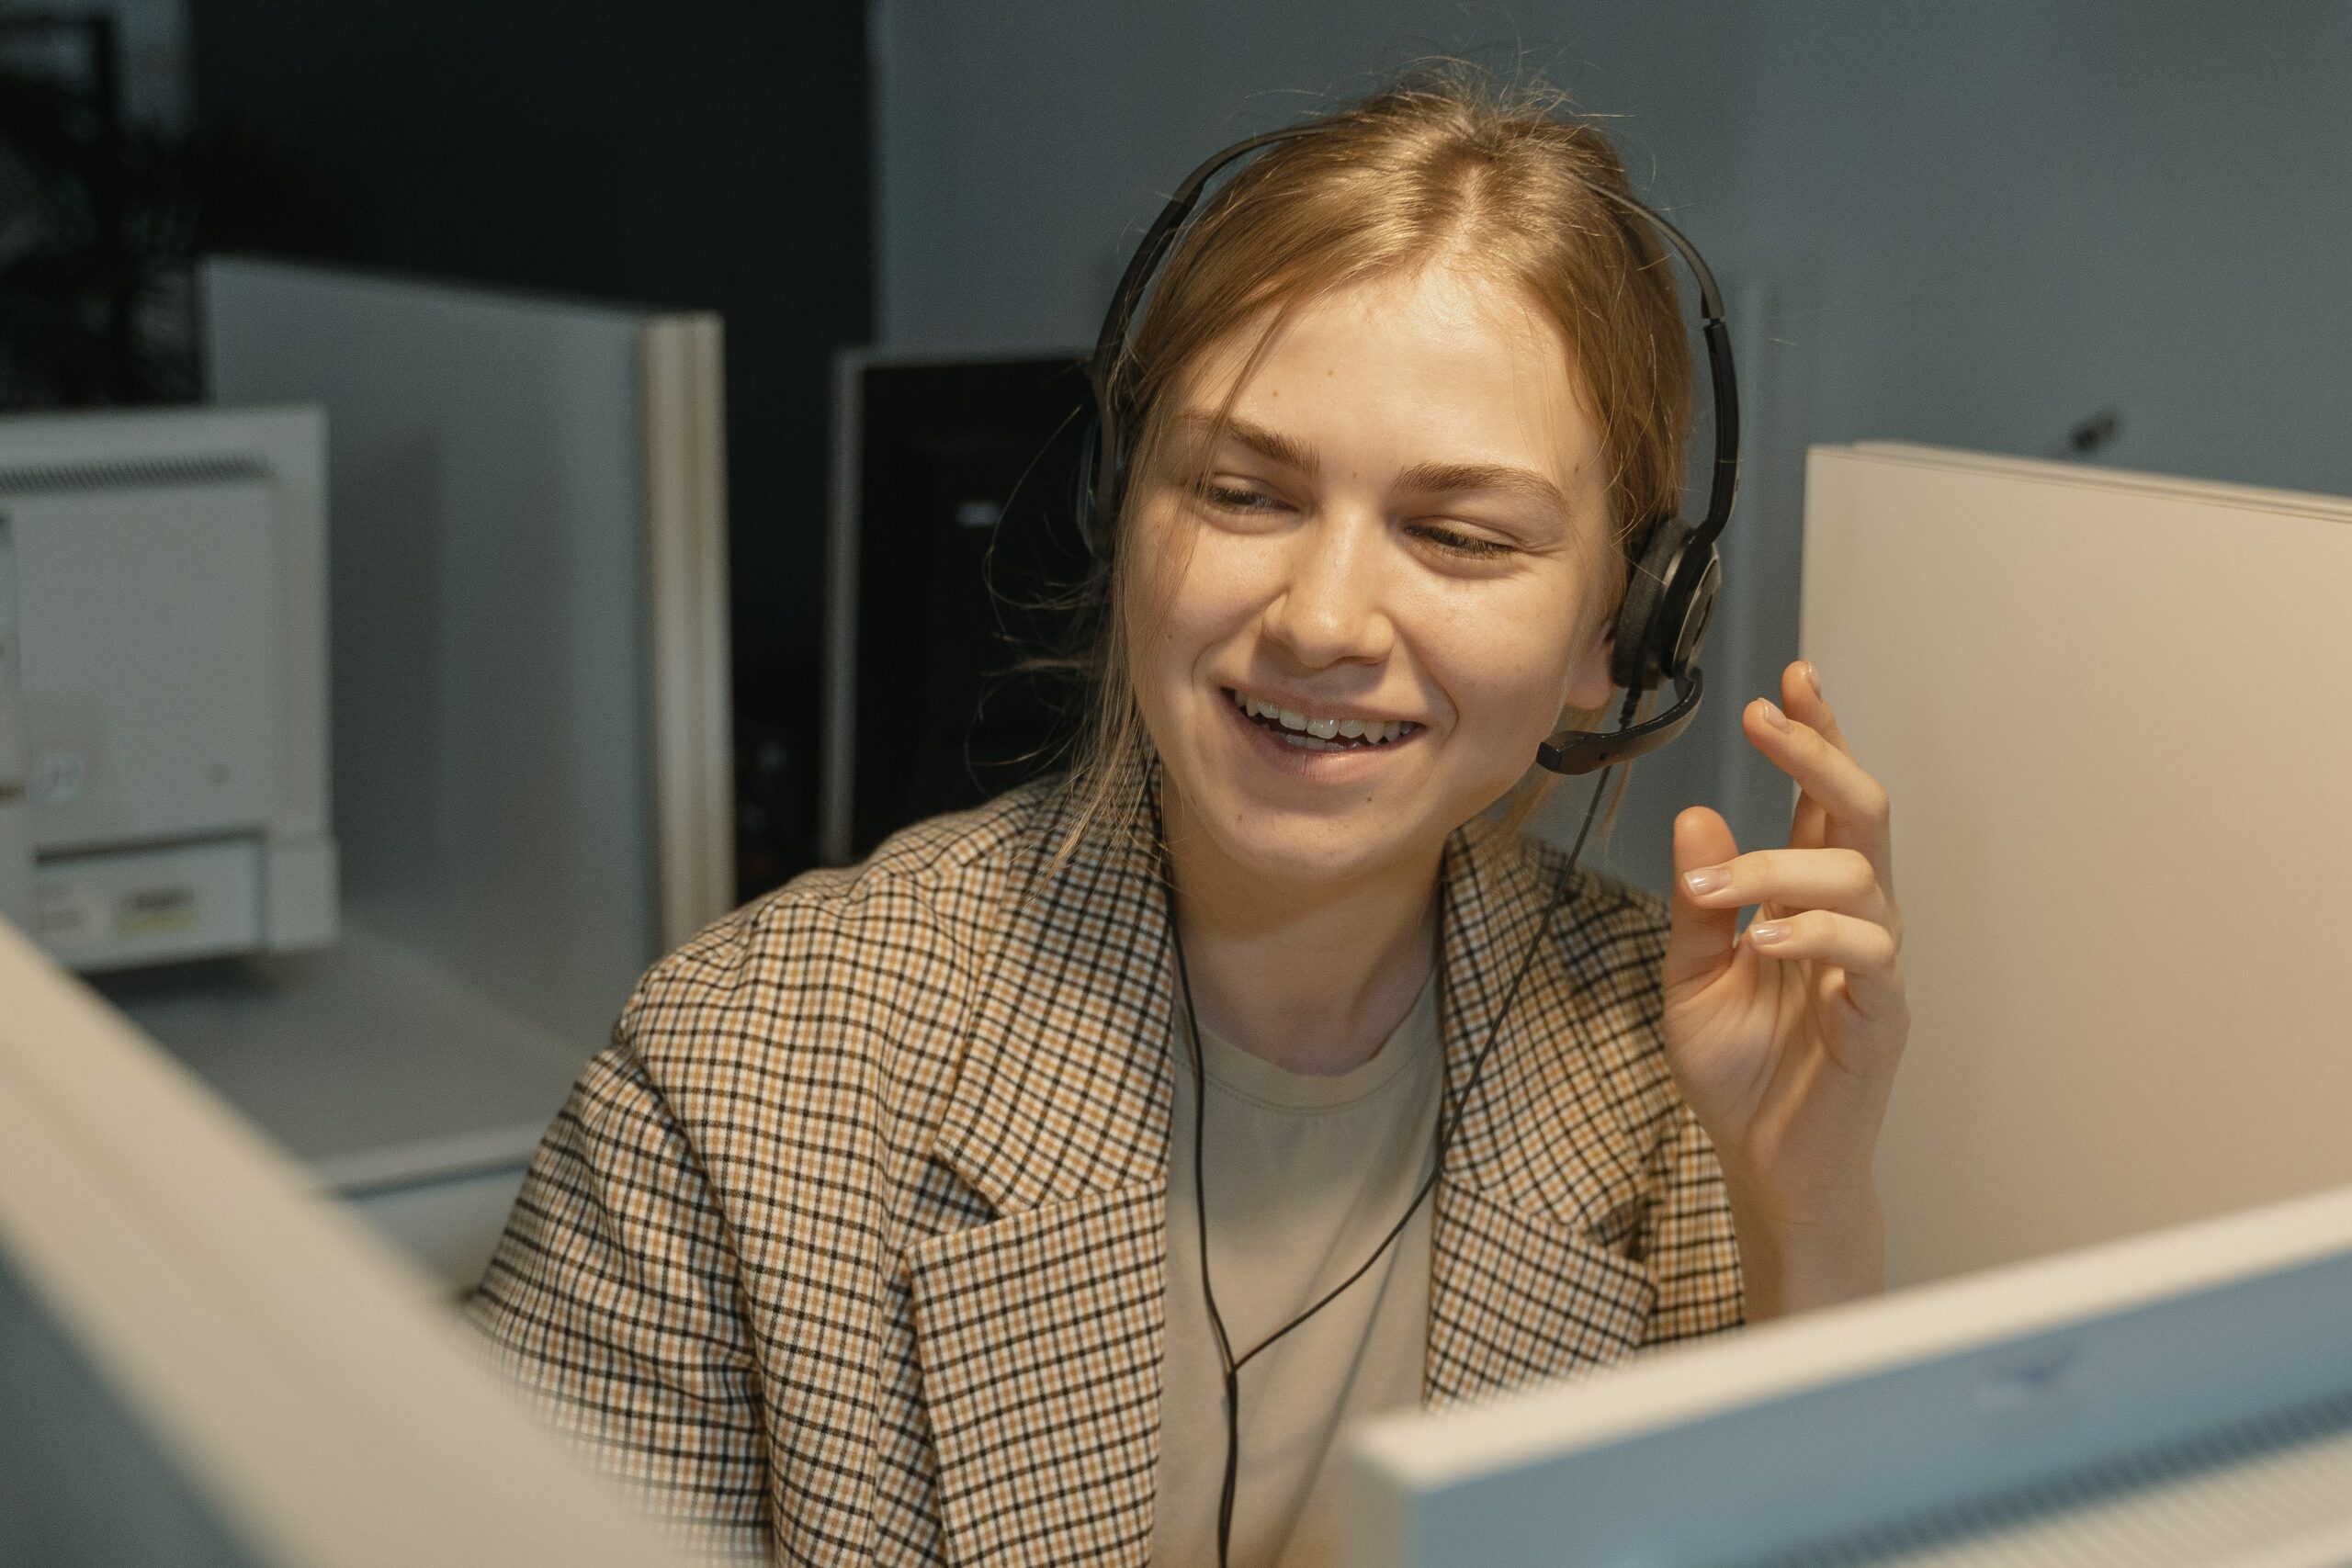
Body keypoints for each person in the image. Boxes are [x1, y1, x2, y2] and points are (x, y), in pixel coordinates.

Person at [466, 68, 1909, 1568]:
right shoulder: (743, 1074)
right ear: (1121, 516)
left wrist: (1803, 1197)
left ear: (1628, 628)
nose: (1324, 618)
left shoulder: (1685, 1077)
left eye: (1459, 535)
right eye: (1242, 493)